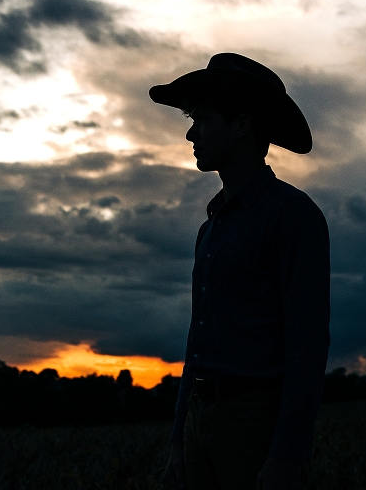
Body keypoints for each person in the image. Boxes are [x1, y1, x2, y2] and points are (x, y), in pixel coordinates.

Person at [150, 53, 330, 490]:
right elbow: (198, 339)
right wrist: (179, 438)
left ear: (242, 126)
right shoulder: (211, 226)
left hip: (254, 421)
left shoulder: (291, 214)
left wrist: (287, 453)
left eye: (202, 119)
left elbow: (306, 342)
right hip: (201, 417)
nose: (190, 133)